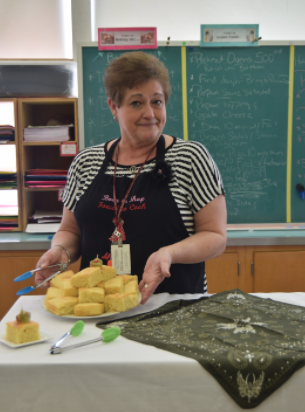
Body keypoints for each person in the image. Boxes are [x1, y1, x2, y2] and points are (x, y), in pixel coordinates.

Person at [35, 51, 227, 304]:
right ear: (114, 107)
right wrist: (60, 251)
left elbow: (215, 237)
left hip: (175, 306)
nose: (150, 113)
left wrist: (169, 253)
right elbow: (70, 231)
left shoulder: (190, 158)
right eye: (137, 103)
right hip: (98, 306)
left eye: (157, 102)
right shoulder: (85, 163)